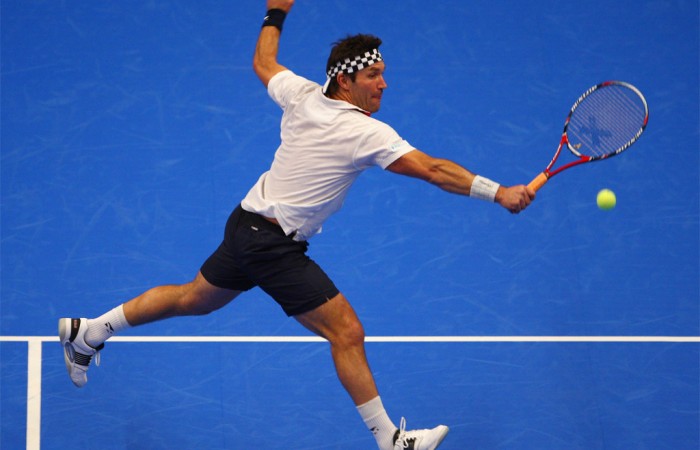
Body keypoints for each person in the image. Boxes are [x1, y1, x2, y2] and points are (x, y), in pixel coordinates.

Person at [59, 1, 535, 449]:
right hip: (271, 244)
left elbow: (264, 63)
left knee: (193, 298)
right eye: (374, 75)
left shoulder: (303, 94)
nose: (384, 84)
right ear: (345, 81)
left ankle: (89, 331)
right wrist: (498, 192)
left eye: (383, 74)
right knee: (346, 332)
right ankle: (391, 440)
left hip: (245, 223)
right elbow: (432, 169)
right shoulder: (365, 131)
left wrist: (276, 12)